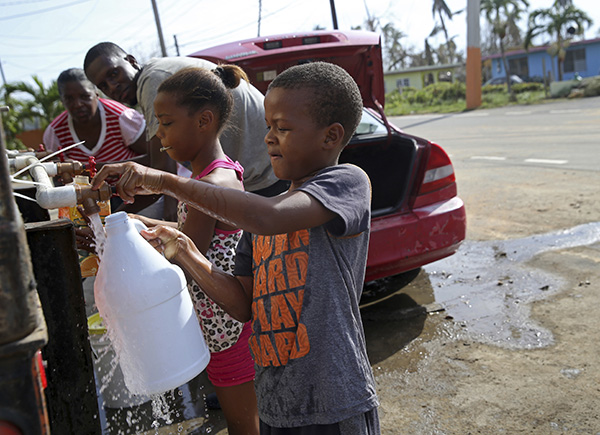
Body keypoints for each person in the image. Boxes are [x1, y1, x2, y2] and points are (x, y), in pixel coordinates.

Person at [92, 61, 380, 434]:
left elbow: (270, 217)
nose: (269, 138)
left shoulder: (345, 183)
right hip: (277, 404)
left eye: (284, 128)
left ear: (331, 136)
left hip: (334, 403)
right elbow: (243, 305)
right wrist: (183, 249)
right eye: (268, 126)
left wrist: (163, 181)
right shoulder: (260, 219)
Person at [127, 65, 259, 435]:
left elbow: (185, 253)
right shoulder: (211, 176)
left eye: (166, 123)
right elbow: (185, 234)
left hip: (227, 325)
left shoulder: (211, 186)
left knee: (242, 424)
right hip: (220, 320)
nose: (157, 133)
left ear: (203, 121)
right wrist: (137, 228)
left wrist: (130, 249)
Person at [82, 42, 288, 202]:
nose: (113, 86)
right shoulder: (155, 74)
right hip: (266, 167)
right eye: (104, 85)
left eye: (114, 73)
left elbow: (161, 166)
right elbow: (161, 163)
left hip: (267, 173)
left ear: (131, 60)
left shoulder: (152, 80)